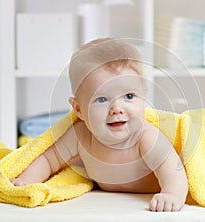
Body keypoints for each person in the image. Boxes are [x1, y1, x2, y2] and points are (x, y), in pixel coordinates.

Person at [11, 38, 188, 212]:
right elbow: (49, 160)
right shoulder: (80, 136)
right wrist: (28, 179)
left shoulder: (146, 138)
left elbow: (174, 170)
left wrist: (172, 194)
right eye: (102, 99)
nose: (117, 109)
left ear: (143, 97)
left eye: (129, 96)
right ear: (79, 109)